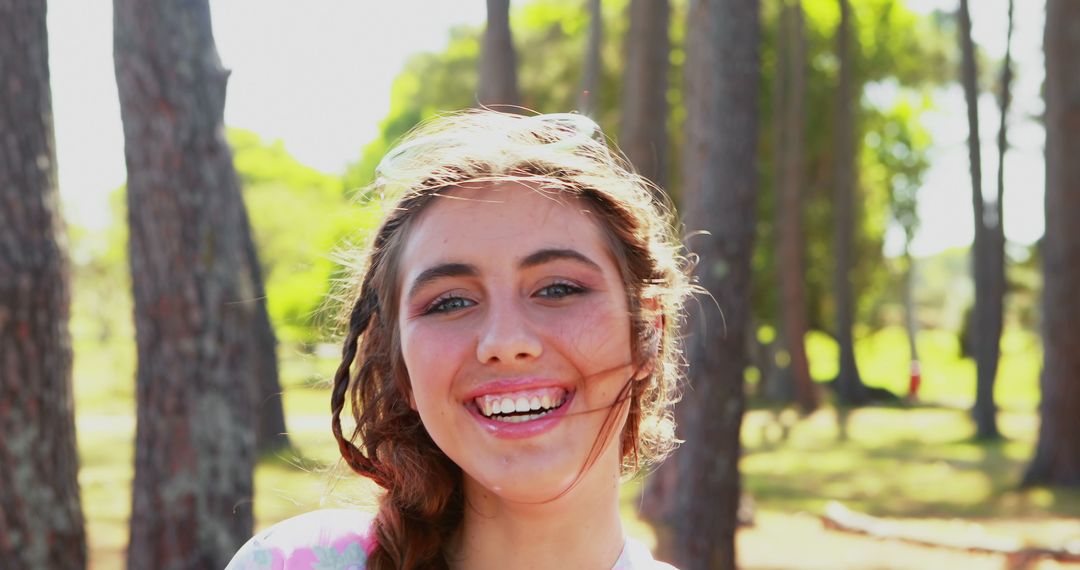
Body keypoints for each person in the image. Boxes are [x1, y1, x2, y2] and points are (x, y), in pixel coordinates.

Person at [226, 110, 692, 569]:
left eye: (557, 289)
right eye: (449, 302)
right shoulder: (292, 563)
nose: (505, 342)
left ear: (646, 333)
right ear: (401, 365)